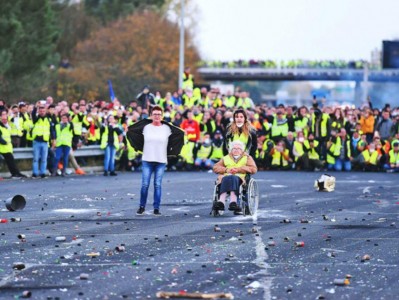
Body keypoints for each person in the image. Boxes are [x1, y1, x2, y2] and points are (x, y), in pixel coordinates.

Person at [127, 105, 184, 216]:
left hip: (161, 160)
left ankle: (156, 208)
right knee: (145, 184)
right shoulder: (146, 127)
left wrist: (172, 151)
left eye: (159, 114)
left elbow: (179, 133)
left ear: (162, 116)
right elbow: (133, 131)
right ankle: (142, 206)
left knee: (157, 184)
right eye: (155, 114)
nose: (157, 116)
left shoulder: (167, 128)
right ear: (151, 116)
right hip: (147, 159)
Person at [213, 140, 257, 214]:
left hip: (240, 177)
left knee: (233, 178)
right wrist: (227, 170)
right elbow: (215, 167)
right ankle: (221, 202)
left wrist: (238, 169)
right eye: (234, 148)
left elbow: (253, 169)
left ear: (242, 150)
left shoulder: (247, 158)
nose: (236, 150)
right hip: (226, 176)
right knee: (226, 178)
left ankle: (233, 202)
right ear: (231, 150)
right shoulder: (225, 158)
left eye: (238, 148)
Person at [0, 109, 27, 178]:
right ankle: (16, 173)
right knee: (9, 161)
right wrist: (4, 142)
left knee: (11, 162)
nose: (5, 116)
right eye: (3, 115)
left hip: (6, 148)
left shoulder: (7, 125)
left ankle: (16, 173)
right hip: (2, 147)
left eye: (5, 114)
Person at [31, 101, 55, 178]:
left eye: (43, 111)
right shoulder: (36, 119)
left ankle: (43, 173)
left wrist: (53, 139)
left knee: (44, 159)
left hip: (45, 141)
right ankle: (35, 173)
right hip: (37, 141)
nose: (42, 112)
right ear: (39, 111)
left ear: (45, 111)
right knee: (36, 159)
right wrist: (35, 107)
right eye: (40, 111)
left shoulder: (48, 119)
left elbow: (51, 130)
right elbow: (33, 114)